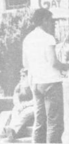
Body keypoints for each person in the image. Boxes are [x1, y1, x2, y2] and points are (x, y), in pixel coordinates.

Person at [23, 8, 69, 143]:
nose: (52, 24)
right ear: (44, 20)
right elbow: (54, 63)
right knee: (54, 123)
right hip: (51, 83)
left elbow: (25, 64)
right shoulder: (48, 38)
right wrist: (66, 66)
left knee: (40, 122)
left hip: (36, 84)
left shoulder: (27, 38)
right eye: (50, 21)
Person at [5, 69, 34, 142]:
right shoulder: (19, 86)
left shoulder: (33, 85)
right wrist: (18, 105)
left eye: (24, 76)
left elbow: (36, 100)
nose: (22, 78)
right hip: (21, 106)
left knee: (26, 112)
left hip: (32, 106)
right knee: (15, 110)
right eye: (21, 76)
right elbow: (15, 97)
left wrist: (24, 105)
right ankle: (12, 130)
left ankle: (13, 130)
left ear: (29, 76)